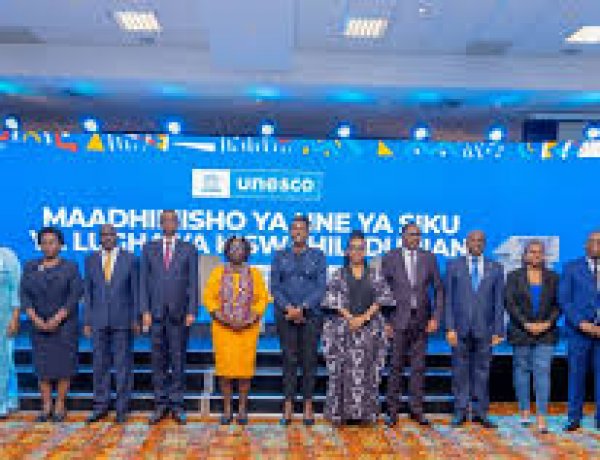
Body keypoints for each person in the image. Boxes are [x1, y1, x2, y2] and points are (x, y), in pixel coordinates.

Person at [321, 230, 395, 425]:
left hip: (370, 331)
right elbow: (332, 300)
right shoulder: (338, 274)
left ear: (365, 251)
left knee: (368, 374)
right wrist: (350, 318)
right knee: (342, 373)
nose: (357, 252)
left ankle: (366, 415)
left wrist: (364, 318)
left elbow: (382, 299)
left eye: (360, 248)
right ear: (347, 251)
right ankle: (341, 414)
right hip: (343, 331)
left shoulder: (375, 274)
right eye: (353, 248)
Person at [140, 210, 198, 425]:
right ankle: (160, 404)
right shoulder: (148, 248)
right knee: (158, 361)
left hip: (179, 314)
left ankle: (177, 404)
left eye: (172, 220)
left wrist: (192, 311)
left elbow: (193, 282)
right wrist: (144, 311)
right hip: (155, 314)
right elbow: (143, 282)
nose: (169, 224)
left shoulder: (188, 249)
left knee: (178, 360)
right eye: (165, 221)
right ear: (160, 224)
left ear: (178, 224)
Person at [203, 236, 269, 425]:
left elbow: (263, 298)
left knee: (244, 372)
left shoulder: (254, 273)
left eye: (240, 248)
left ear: (246, 251)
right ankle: (227, 409)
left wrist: (250, 319)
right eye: (232, 248)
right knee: (225, 371)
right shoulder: (218, 272)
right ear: (227, 251)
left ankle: (242, 409)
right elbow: (209, 297)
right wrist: (224, 319)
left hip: (247, 330)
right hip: (223, 330)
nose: (236, 251)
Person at [19, 227, 83, 422]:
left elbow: (75, 295)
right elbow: (24, 295)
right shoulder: (30, 267)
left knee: (64, 365)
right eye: (44, 242)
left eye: (52, 242)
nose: (48, 246)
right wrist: (35, 318)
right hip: (38, 325)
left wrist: (58, 318)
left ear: (60, 244)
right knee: (43, 367)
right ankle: (46, 405)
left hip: (64, 325)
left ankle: (60, 405)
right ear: (39, 245)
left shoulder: (70, 267)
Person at [382, 223, 443, 427]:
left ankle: (416, 410)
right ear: (402, 236)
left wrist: (435, 317)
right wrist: (385, 321)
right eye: (411, 234)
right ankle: (392, 411)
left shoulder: (429, 258)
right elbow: (382, 290)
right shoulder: (390, 257)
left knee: (418, 367)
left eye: (418, 235)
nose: (415, 238)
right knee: (395, 366)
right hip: (398, 319)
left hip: (421, 320)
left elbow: (439, 289)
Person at [445, 230, 505, 429]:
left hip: (485, 329)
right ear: (466, 243)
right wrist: (450, 327)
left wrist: (498, 330)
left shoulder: (496, 268)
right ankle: (460, 411)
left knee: (482, 371)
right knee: (459, 371)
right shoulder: (453, 266)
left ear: (484, 244)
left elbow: (499, 301)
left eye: (480, 241)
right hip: (459, 329)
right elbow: (448, 299)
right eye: (473, 240)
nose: (477, 243)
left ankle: (481, 412)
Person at [270, 214, 326, 425]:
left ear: (308, 232)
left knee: (309, 360)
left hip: (310, 316)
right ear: (290, 232)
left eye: (302, 228)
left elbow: (321, 287)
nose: (298, 231)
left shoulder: (318, 256)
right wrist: (289, 309)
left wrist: (302, 308)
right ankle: (288, 405)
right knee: (289, 359)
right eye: (294, 228)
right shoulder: (279, 256)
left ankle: (308, 405)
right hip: (285, 315)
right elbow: (275, 287)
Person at [84, 224, 139, 424]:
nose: (107, 238)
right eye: (103, 235)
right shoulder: (90, 260)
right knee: (99, 365)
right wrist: (87, 320)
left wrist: (135, 318)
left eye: (110, 234)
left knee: (123, 365)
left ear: (117, 237)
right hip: (98, 320)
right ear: (99, 238)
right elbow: (88, 292)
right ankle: (101, 405)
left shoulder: (130, 259)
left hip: (123, 320)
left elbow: (135, 291)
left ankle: (122, 408)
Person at [505, 239, 559, 433]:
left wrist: (547, 323)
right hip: (521, 331)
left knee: (542, 371)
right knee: (522, 370)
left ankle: (542, 415)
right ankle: (524, 410)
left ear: (544, 256)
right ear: (525, 255)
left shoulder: (554, 277)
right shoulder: (513, 276)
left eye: (539, 252)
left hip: (546, 332)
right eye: (532, 252)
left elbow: (558, 304)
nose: (536, 255)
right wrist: (525, 324)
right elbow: (510, 303)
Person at [561, 230, 600, 432]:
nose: (596, 245)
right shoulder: (571, 268)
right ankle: (574, 417)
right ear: (585, 245)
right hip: (579, 333)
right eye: (592, 241)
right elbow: (565, 300)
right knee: (576, 376)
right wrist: (581, 323)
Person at [0, 247, 21, 418]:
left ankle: (3, 401)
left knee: (4, 358)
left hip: (4, 316)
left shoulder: (7, 256)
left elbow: (16, 289)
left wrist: (15, 317)